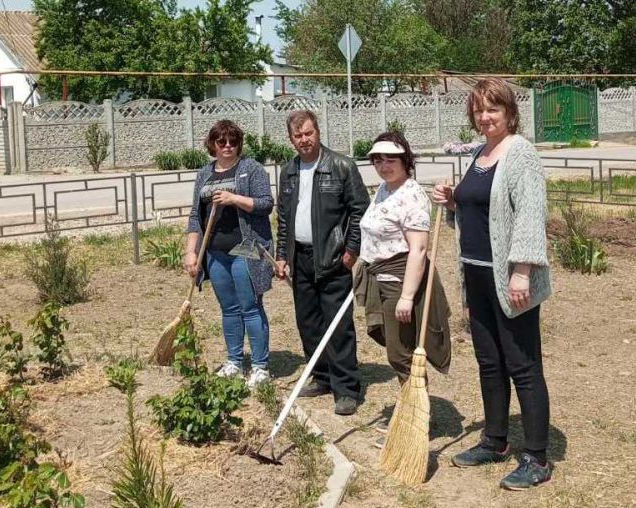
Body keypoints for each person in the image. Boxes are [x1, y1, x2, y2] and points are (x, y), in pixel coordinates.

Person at [431, 78, 553, 490]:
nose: (485, 117)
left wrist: (522, 271)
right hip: (477, 274)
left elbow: (530, 215)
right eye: (480, 111)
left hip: (510, 278)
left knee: (523, 365)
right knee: (489, 362)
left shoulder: (521, 154)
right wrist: (453, 201)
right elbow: (482, 210)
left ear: (509, 113)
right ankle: (495, 441)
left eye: (493, 110)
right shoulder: (483, 153)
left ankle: (536, 457)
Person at [352, 132, 452, 447]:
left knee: (402, 354)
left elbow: (418, 250)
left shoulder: (412, 195)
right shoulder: (384, 189)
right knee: (397, 351)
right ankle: (410, 414)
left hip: (400, 281)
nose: (383, 165)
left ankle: (416, 422)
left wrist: (407, 297)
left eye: (390, 159)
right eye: (377, 159)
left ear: (405, 160)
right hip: (379, 278)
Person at [275, 110, 370, 416]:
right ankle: (322, 377)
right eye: (298, 136)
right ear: (291, 140)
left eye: (308, 133)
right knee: (309, 323)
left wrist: (352, 249)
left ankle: (347, 388)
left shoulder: (341, 166)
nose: (304, 140)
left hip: (332, 259)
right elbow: (284, 218)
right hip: (299, 258)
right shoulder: (288, 171)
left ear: (318, 131)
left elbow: (360, 210)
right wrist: (281, 254)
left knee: (338, 326)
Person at [184, 120, 274, 388]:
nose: (227, 147)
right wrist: (191, 251)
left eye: (233, 142)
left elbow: (266, 204)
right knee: (229, 309)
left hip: (246, 247)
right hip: (215, 251)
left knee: (250, 306)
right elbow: (194, 215)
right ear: (212, 144)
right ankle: (234, 361)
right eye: (221, 142)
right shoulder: (204, 174)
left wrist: (234, 199)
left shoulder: (251, 169)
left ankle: (260, 367)